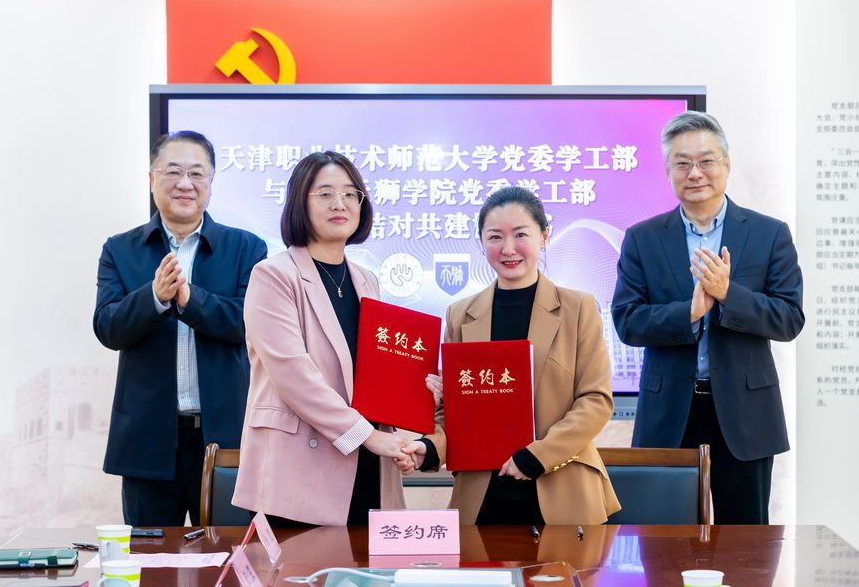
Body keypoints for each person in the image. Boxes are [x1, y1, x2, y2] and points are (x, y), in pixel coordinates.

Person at [611, 111, 805, 524]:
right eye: (682, 163)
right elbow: (627, 321)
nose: (695, 173)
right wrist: (689, 312)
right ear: (668, 171)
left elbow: (789, 318)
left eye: (706, 161)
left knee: (745, 542)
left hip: (745, 413)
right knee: (664, 544)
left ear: (727, 164)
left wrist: (728, 294)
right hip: (669, 413)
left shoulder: (769, 233)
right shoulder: (642, 238)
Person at [402, 186, 620, 525]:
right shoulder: (461, 314)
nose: (508, 248)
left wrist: (537, 456)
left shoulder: (579, 307)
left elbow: (595, 400)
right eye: (495, 237)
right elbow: (455, 412)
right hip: (483, 495)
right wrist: (430, 449)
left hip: (562, 488)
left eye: (521, 234)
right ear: (481, 242)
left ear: (544, 236)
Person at [94, 131, 268, 526]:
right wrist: (154, 297)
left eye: (196, 173)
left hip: (226, 441)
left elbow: (249, 324)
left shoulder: (247, 248)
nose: (185, 183)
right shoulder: (119, 250)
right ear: (151, 179)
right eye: (172, 172)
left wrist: (191, 301)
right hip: (148, 440)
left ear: (211, 182)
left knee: (232, 554)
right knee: (150, 556)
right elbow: (108, 327)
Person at [232, 151, 408, 526]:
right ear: (301, 202)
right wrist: (367, 436)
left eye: (350, 194)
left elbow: (374, 370)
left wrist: (418, 387)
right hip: (298, 468)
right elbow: (294, 376)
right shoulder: (273, 275)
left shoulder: (367, 281)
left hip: (366, 463)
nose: (339, 204)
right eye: (325, 193)